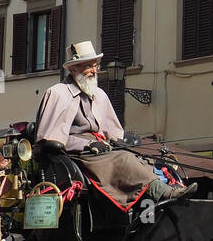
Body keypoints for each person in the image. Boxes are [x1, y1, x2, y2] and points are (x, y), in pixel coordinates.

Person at [34, 41, 194, 208]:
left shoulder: (100, 95)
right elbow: (49, 138)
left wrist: (119, 141)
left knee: (141, 158)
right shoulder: (57, 93)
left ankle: (166, 189)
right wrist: (87, 144)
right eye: (89, 66)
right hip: (76, 154)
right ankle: (162, 192)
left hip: (102, 149)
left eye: (95, 65)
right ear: (73, 69)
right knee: (123, 159)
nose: (94, 71)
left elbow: (113, 131)